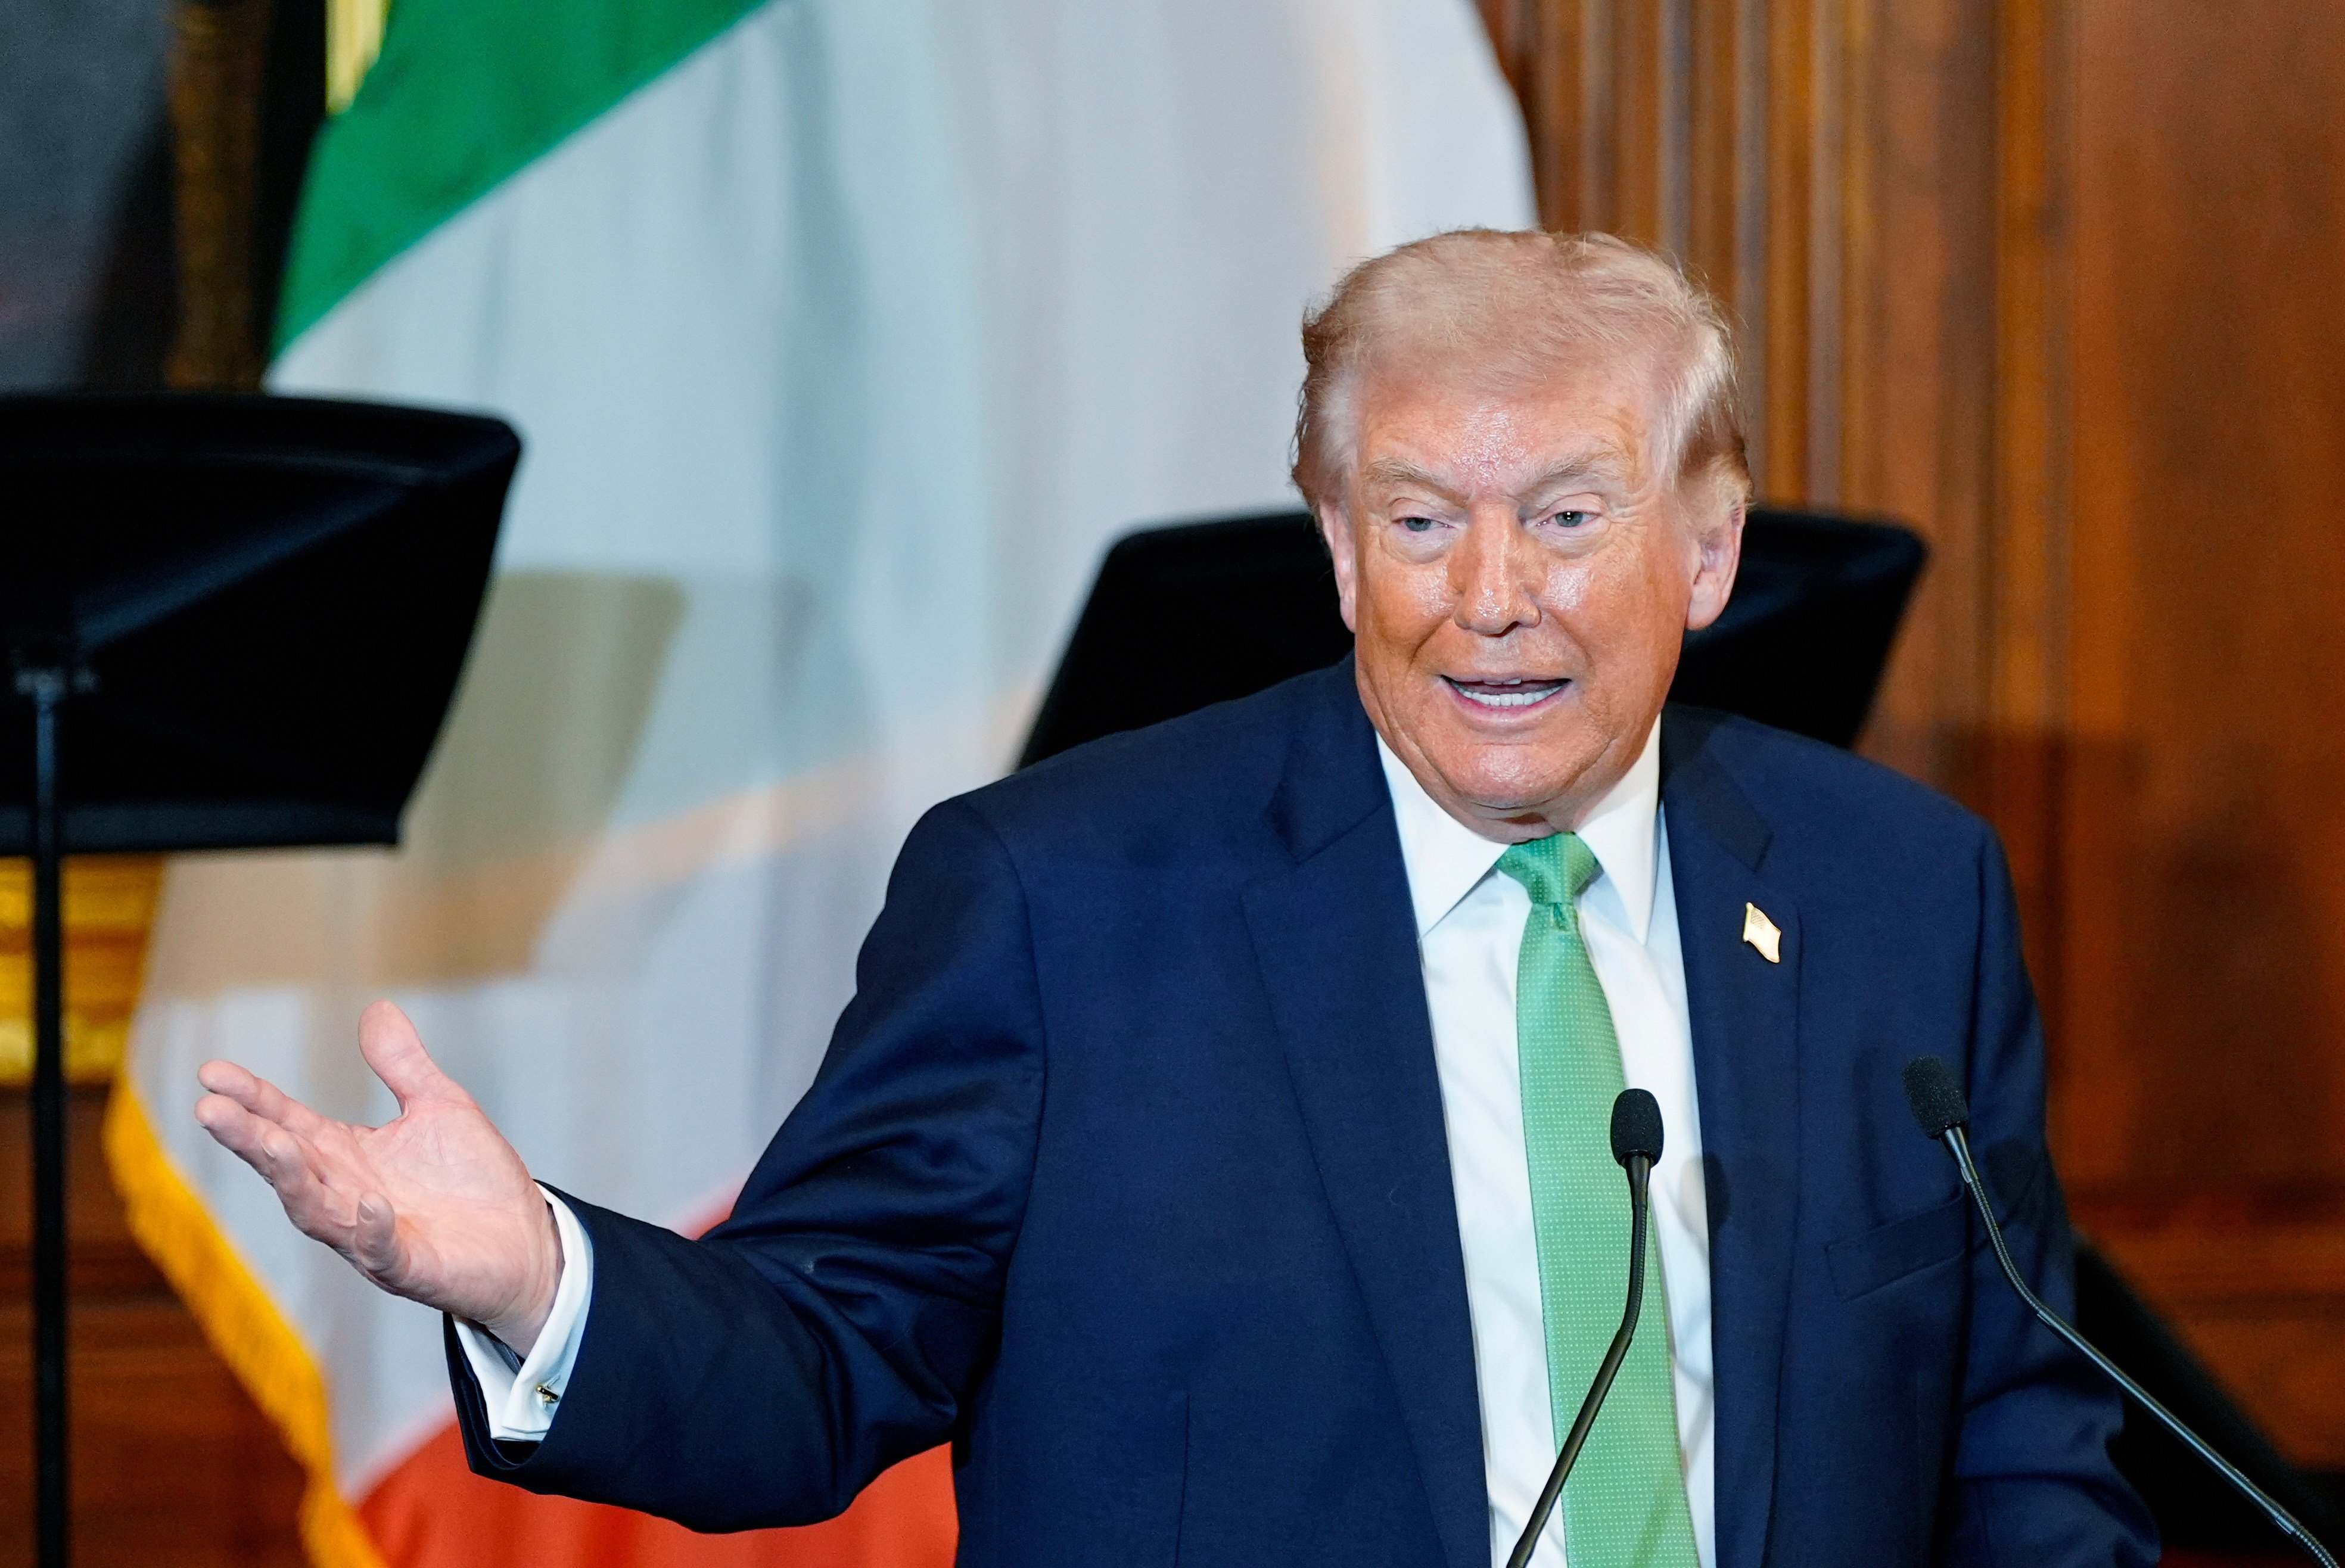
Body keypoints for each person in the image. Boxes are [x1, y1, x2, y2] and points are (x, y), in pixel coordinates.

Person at [192, 230, 2156, 1567]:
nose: (1491, 596)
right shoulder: (1061, 902)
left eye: (1568, 515)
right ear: (1334, 547)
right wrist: (540, 1277)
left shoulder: (1900, 890)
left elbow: (2022, 1441)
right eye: (1415, 521)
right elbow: (818, 1358)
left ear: (1708, 548)